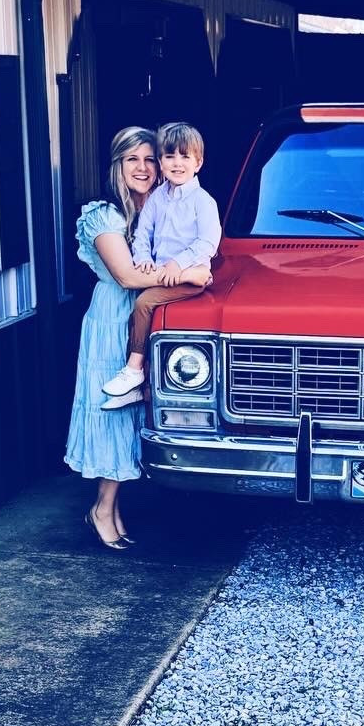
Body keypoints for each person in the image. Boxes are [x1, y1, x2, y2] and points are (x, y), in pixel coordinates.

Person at [65, 127, 168, 549]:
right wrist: (190, 275)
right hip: (114, 319)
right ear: (117, 166)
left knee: (135, 416)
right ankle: (101, 509)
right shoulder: (104, 216)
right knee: (114, 413)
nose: (142, 168)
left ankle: (114, 507)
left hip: (152, 318)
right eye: (132, 160)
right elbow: (126, 275)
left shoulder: (162, 211)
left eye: (149, 160)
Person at [99, 120, 220, 407]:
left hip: (185, 274)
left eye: (185, 156)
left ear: (198, 163)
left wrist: (178, 265)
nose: (177, 163)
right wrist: (142, 258)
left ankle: (133, 370)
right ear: (161, 163)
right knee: (146, 313)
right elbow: (143, 232)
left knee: (143, 304)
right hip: (162, 271)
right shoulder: (157, 199)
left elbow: (208, 242)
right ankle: (140, 387)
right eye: (169, 156)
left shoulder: (203, 202)